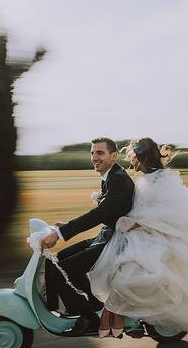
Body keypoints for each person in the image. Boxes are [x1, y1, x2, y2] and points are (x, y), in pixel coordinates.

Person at [89, 138, 188, 338]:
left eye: (132, 155)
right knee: (116, 263)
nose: (130, 160)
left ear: (141, 157)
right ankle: (115, 313)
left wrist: (135, 223)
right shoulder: (146, 179)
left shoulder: (160, 180)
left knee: (129, 274)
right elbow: (139, 207)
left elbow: (168, 214)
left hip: (158, 237)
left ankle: (114, 314)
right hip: (142, 233)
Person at [39, 137, 135, 334]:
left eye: (100, 153)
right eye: (92, 153)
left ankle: (88, 317)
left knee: (61, 271)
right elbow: (108, 213)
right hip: (106, 236)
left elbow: (99, 214)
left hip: (115, 242)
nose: (94, 157)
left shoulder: (119, 180)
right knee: (54, 261)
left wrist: (60, 233)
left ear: (113, 155)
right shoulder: (111, 176)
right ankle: (62, 308)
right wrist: (65, 226)